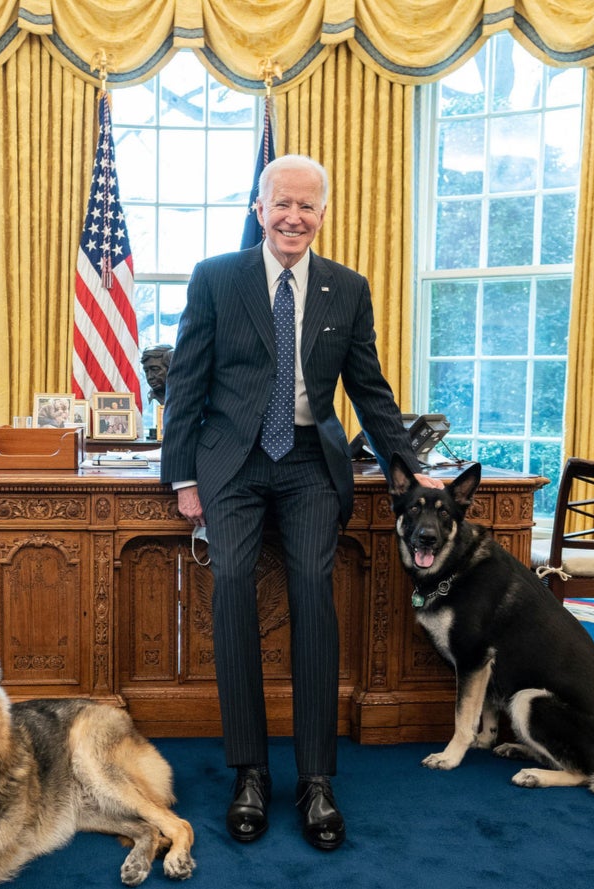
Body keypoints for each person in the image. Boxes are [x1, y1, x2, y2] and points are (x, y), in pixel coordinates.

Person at [160, 154, 436, 852]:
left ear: (322, 213)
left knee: (314, 588)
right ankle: (249, 772)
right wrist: (182, 477)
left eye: (307, 206)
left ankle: (316, 780)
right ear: (259, 207)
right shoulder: (217, 279)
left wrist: (407, 463)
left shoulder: (348, 289)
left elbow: (368, 389)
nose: (293, 217)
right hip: (233, 464)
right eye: (282, 203)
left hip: (312, 462)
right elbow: (186, 382)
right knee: (229, 586)